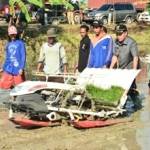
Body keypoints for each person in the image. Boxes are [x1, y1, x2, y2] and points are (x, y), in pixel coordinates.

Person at [110, 24, 140, 90]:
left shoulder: (132, 43)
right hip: (121, 68)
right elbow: (115, 56)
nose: (118, 36)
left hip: (130, 69)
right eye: (117, 34)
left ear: (125, 33)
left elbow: (135, 58)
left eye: (120, 34)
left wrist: (133, 72)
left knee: (129, 89)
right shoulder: (116, 41)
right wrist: (110, 68)